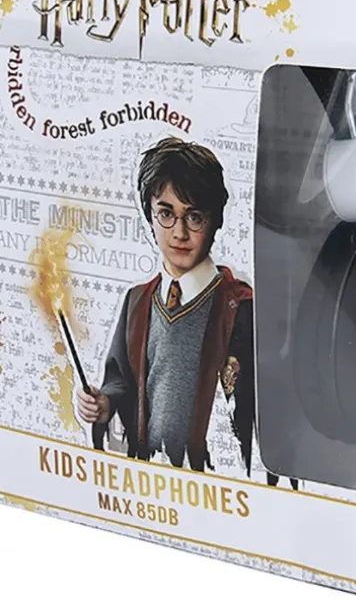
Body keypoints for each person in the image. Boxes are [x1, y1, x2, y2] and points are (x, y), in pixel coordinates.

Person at [77, 136, 255, 474]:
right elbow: (121, 380)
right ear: (150, 216)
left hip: (215, 482)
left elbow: (252, 411)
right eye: (166, 214)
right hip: (151, 477)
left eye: (194, 217)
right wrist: (104, 404)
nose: (179, 233)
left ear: (216, 220)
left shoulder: (240, 307)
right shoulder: (137, 302)